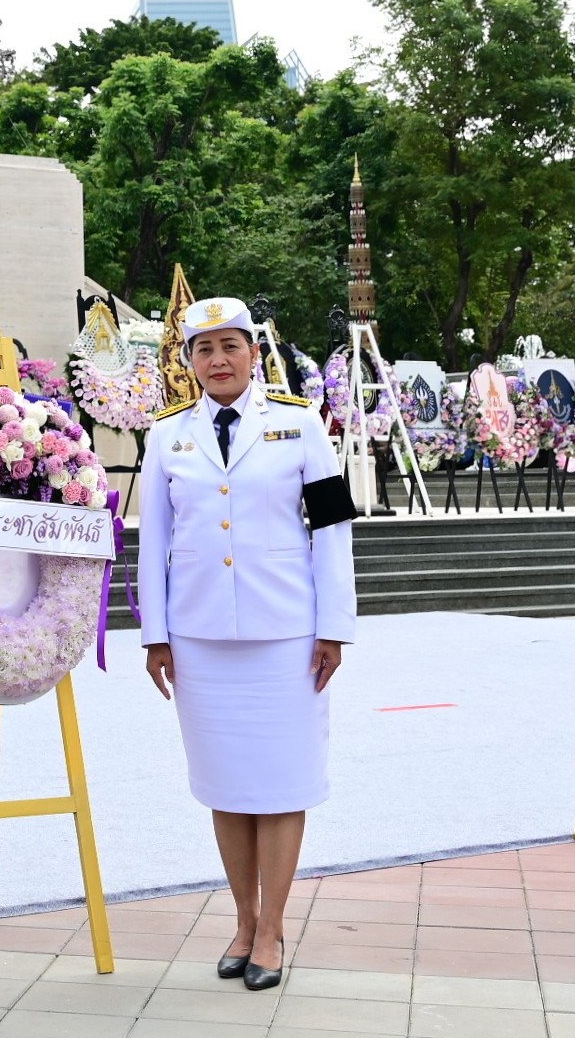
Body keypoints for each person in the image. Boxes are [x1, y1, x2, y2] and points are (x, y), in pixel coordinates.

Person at [137, 295, 359, 992]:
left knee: (282, 781)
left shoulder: (298, 425)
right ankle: (242, 919)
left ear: (253, 353)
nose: (219, 360)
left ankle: (273, 929)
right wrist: (155, 634)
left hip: (285, 635)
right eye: (204, 350)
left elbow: (331, 527)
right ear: (190, 362)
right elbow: (154, 543)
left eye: (231, 346)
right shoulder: (166, 437)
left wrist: (334, 626)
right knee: (227, 788)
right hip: (200, 638)